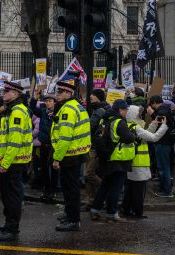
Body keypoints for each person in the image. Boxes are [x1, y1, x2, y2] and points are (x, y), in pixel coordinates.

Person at [0, 81, 33, 241]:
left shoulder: (17, 112)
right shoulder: (10, 111)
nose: (4, 93)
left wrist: (5, 163)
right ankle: (9, 223)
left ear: (16, 94)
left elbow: (14, 141)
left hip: (13, 163)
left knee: (12, 196)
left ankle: (12, 227)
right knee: (7, 195)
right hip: (10, 161)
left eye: (7, 91)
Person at [51, 80, 91, 232]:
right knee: (70, 187)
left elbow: (65, 137)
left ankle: (73, 220)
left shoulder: (68, 109)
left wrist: (57, 157)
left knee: (70, 189)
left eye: (60, 92)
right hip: (76, 152)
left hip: (69, 153)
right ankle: (69, 214)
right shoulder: (76, 106)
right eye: (58, 92)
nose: (58, 95)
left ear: (69, 94)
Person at [91, 99, 134, 222]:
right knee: (116, 187)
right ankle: (111, 213)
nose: (126, 111)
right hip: (118, 159)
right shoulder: (119, 122)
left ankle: (95, 209)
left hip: (106, 157)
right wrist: (133, 134)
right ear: (120, 110)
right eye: (125, 109)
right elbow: (128, 138)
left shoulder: (104, 120)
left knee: (105, 185)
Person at [121, 105, 168, 219]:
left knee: (130, 190)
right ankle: (138, 213)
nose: (141, 116)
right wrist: (164, 126)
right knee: (138, 192)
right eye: (139, 114)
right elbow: (154, 137)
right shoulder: (136, 128)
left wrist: (154, 124)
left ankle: (126, 210)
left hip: (131, 163)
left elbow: (144, 136)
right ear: (133, 115)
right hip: (139, 165)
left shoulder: (129, 126)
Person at [147, 95, 175, 198]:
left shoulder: (162, 111)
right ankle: (165, 189)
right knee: (165, 166)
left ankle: (166, 191)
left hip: (162, 142)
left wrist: (152, 114)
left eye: (152, 105)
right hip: (165, 142)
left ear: (155, 102)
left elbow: (159, 124)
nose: (152, 107)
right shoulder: (166, 109)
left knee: (163, 167)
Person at [84, 89, 106, 207]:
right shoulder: (96, 109)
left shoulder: (99, 111)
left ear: (98, 97)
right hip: (92, 146)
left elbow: (89, 127)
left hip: (94, 147)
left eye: (93, 95)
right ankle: (91, 201)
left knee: (88, 174)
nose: (90, 96)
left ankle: (106, 190)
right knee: (88, 175)